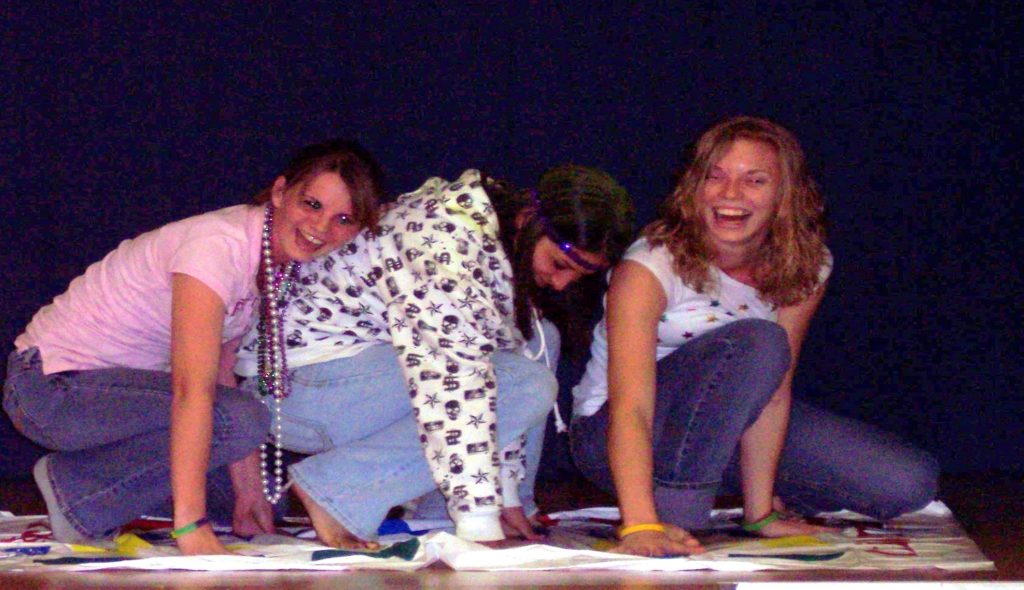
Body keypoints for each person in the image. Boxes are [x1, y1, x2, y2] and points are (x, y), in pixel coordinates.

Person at [570, 116, 939, 557]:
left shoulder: (806, 264)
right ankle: (678, 507)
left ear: (786, 194)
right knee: (758, 342)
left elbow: (774, 394)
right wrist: (640, 524)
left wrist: (759, 512)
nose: (731, 194)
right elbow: (630, 406)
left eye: (755, 180)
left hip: (727, 430)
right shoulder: (649, 267)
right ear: (693, 187)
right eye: (715, 176)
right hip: (618, 434)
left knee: (906, 482)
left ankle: (728, 495)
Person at [2, 139, 384, 555]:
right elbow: (193, 391)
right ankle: (77, 489)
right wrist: (190, 527)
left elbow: (221, 373)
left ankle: (84, 484)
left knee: (259, 496)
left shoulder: (271, 262)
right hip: (49, 389)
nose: (321, 227)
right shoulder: (218, 246)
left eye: (343, 218)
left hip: (114, 400)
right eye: (312, 204)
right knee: (239, 420)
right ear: (279, 192)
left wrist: (249, 492)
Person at [235, 165, 635, 548]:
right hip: (291, 391)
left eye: (578, 276)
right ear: (528, 219)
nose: (562, 284)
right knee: (524, 385)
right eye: (560, 264)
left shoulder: (486, 232)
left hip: (334, 377)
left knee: (539, 339)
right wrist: (480, 526)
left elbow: (500, 358)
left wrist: (506, 495)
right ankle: (336, 490)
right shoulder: (444, 246)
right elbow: (455, 384)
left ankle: (437, 514)